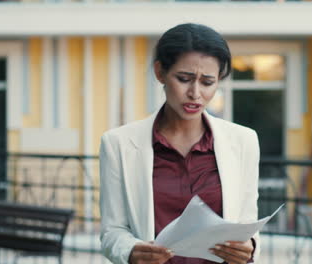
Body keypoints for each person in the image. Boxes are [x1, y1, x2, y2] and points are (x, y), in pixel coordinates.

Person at [99, 23, 260, 264]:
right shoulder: (118, 144)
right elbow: (112, 231)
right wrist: (131, 251)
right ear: (160, 72)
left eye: (207, 82)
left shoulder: (243, 141)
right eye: (184, 79)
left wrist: (250, 247)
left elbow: (248, 224)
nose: (195, 93)